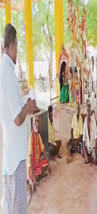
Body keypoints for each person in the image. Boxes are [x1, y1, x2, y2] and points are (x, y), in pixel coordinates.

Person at [0, 24, 37, 214]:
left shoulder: (3, 70)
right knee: (17, 207)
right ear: (13, 44)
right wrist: (28, 107)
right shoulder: (8, 75)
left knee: (11, 205)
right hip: (16, 159)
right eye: (17, 47)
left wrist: (22, 101)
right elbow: (17, 119)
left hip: (10, 153)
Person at [28, 116, 51, 188]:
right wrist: (34, 177)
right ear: (32, 123)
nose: (36, 123)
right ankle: (38, 177)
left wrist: (49, 164)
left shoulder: (38, 136)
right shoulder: (31, 137)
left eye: (37, 121)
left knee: (46, 163)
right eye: (35, 121)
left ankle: (39, 176)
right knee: (33, 177)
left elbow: (43, 150)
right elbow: (31, 157)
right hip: (31, 167)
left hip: (38, 164)